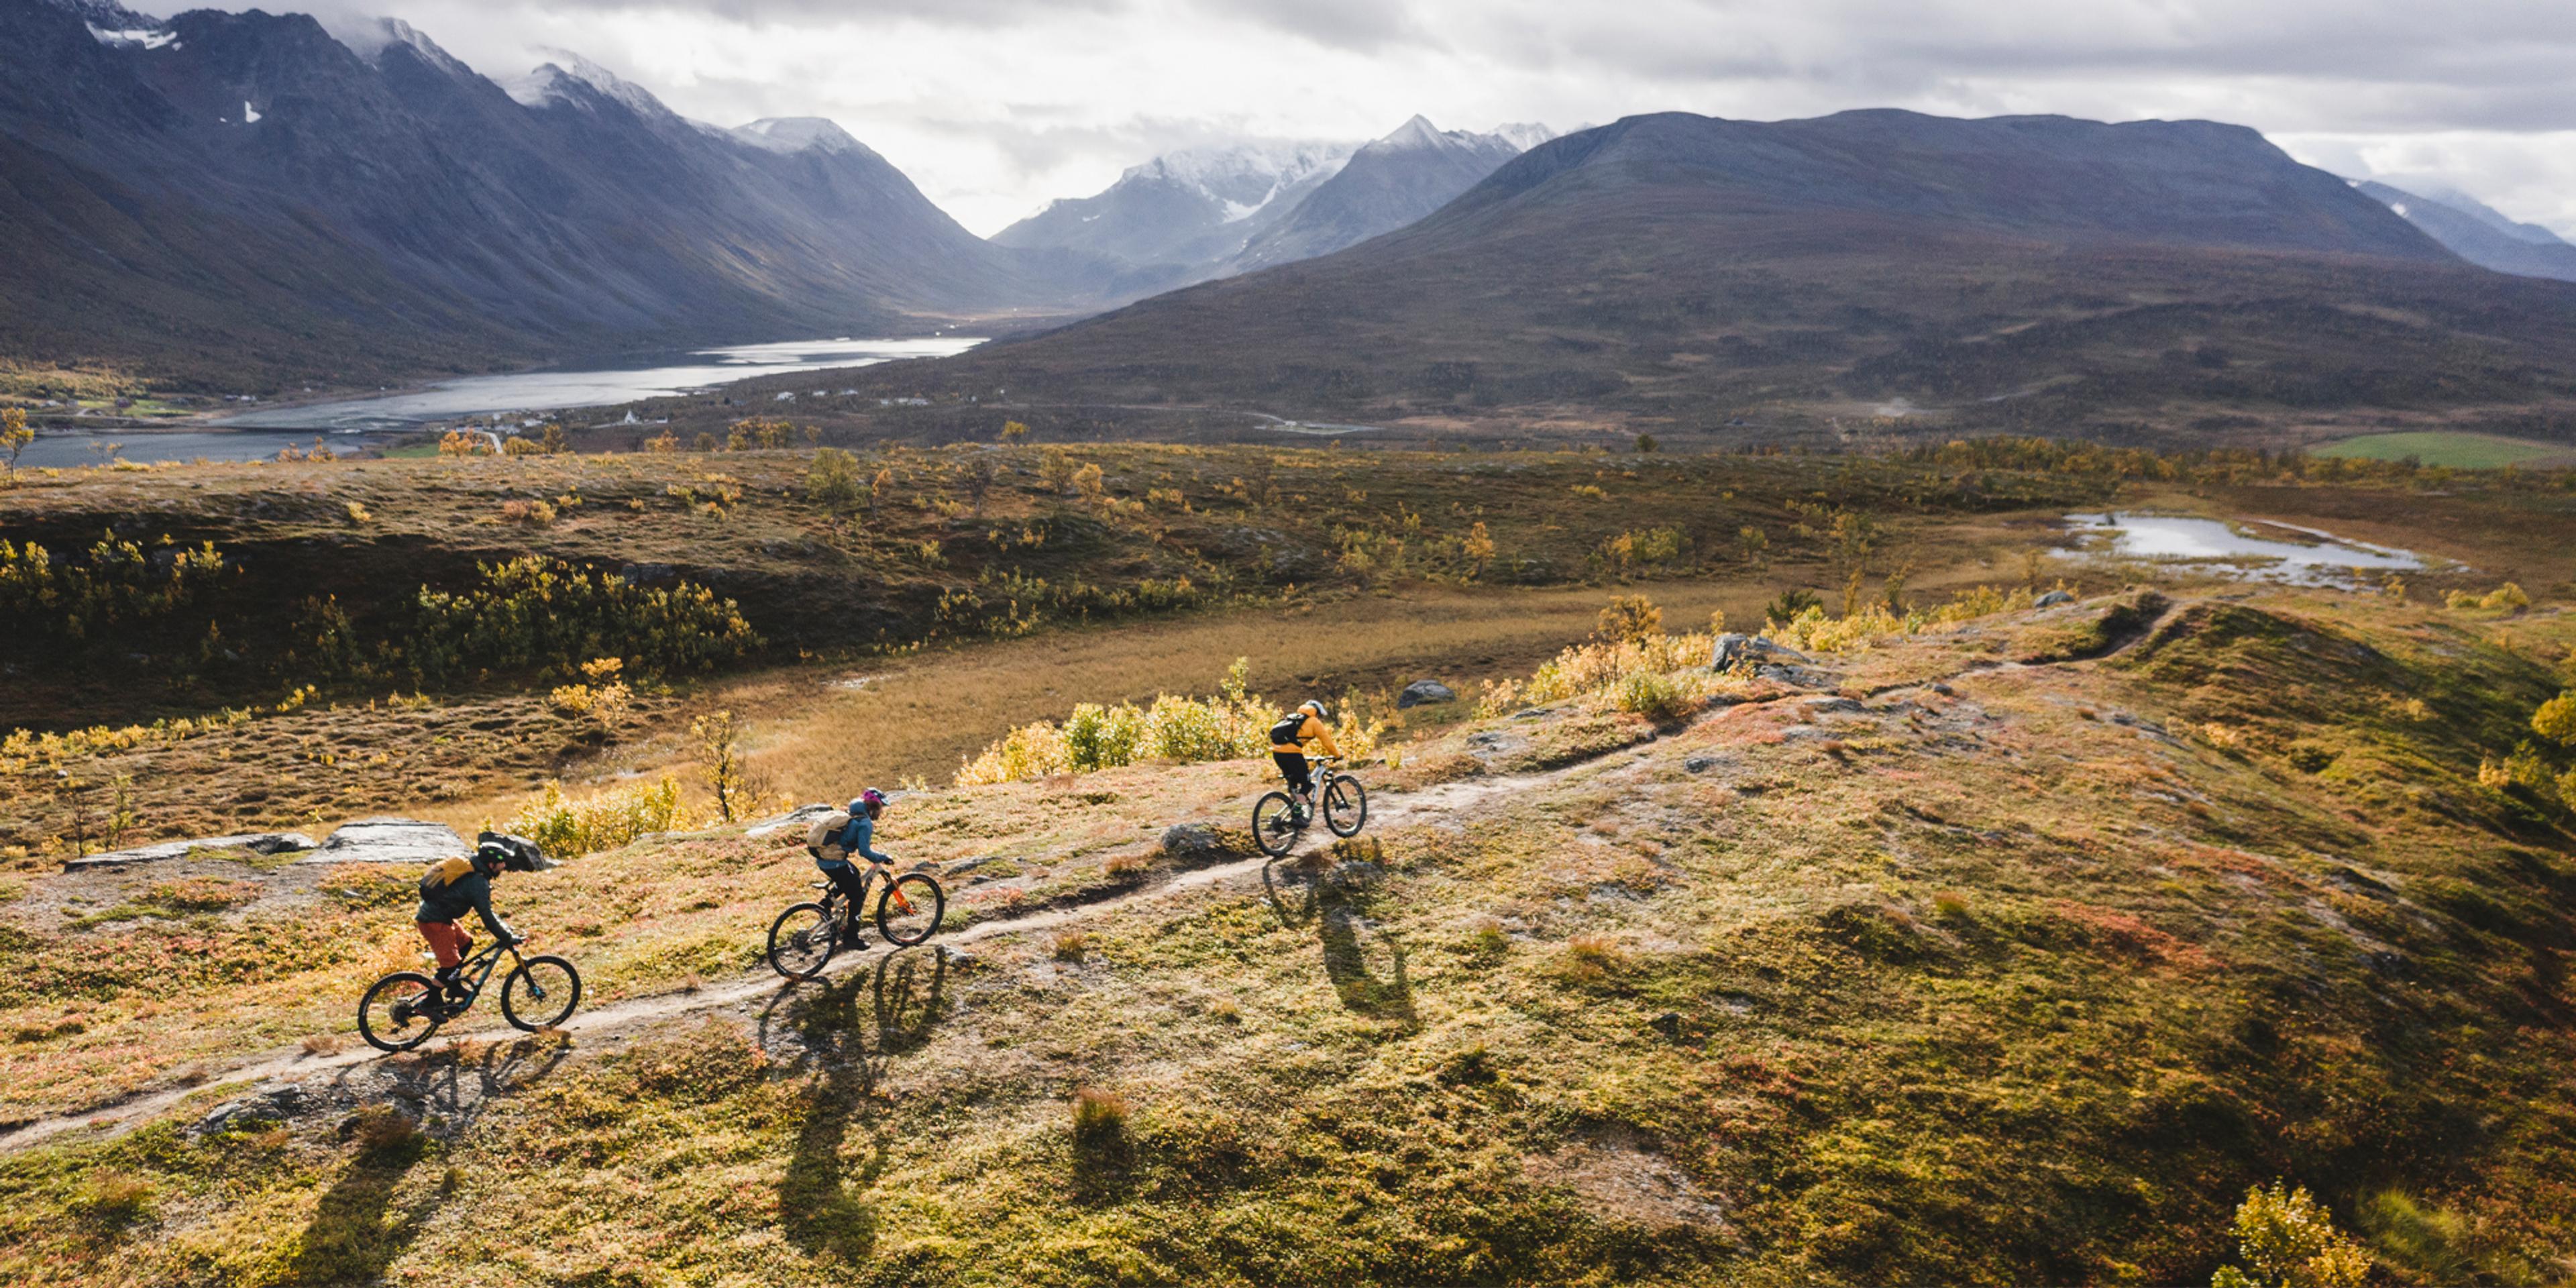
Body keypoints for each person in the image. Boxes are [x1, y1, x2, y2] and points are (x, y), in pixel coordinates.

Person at [416, 833, 543, 1012]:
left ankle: (453, 985)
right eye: (502, 863)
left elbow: (488, 912)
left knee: (466, 942)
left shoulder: (476, 874)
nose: (504, 866)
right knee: (451, 964)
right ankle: (430, 1003)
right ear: (492, 864)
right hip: (435, 922)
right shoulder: (477, 882)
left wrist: (505, 930)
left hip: (441, 918)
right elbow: (487, 916)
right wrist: (506, 936)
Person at [807, 789, 894, 942]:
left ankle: (825, 905)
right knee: (857, 895)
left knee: (853, 874)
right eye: (881, 808)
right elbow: (865, 852)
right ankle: (852, 937)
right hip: (834, 862)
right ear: (874, 807)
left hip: (824, 858)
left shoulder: (852, 813)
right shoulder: (865, 823)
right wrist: (883, 857)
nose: (881, 813)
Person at [1269, 699, 1341, 820]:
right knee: (1307, 785)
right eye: (1320, 715)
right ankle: (1297, 815)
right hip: (1292, 754)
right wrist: (1337, 755)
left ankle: (1293, 811)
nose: (1320, 718)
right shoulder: (1314, 722)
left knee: (1294, 784)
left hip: (1277, 753)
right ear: (1316, 712)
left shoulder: (1292, 718)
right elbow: (1327, 743)